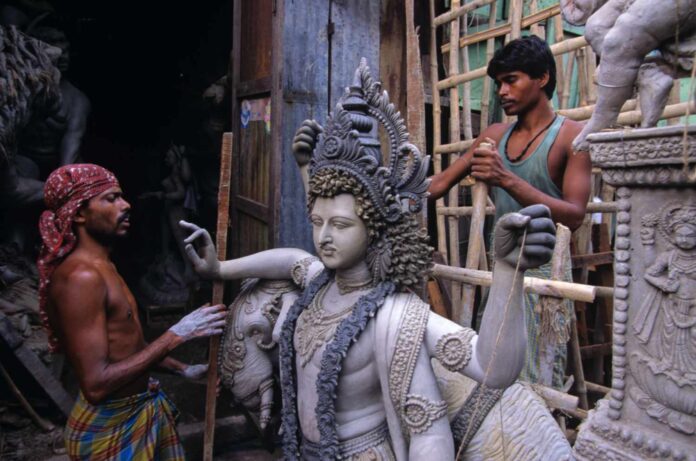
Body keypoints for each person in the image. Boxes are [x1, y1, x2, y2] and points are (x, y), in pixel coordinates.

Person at [180, 60, 557, 460]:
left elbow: (491, 370)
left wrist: (505, 271)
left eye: (340, 225)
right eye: (317, 222)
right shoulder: (319, 285)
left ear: (374, 228)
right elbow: (289, 258)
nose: (323, 237)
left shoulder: (396, 318)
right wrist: (219, 268)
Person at [428, 36, 592, 387]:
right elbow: (439, 185)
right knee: (494, 370)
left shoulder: (571, 137)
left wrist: (506, 179)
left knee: (536, 378)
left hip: (545, 274)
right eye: (498, 83)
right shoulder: (494, 135)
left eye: (511, 80)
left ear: (542, 78)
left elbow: (574, 215)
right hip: (502, 266)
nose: (501, 91)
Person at [38, 163, 226, 460]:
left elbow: (125, 348)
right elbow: (96, 385)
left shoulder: (104, 266)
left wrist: (183, 369)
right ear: (79, 213)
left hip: (136, 411)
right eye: (110, 199)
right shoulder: (80, 279)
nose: (125, 205)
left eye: (121, 197)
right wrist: (175, 335)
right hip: (109, 429)